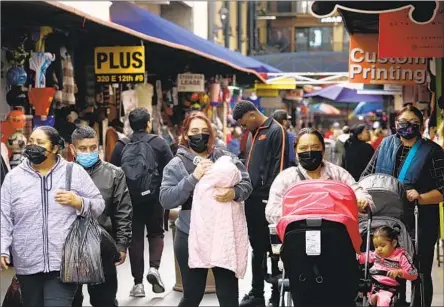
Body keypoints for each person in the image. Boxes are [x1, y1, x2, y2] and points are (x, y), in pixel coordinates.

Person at [0, 126, 105, 307]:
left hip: (64, 262)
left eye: (40, 143)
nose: (33, 146)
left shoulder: (74, 173)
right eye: (31, 141)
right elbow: (4, 216)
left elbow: (99, 205)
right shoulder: (14, 178)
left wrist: (79, 202)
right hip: (27, 262)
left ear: (55, 148)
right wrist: (3, 248)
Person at [160, 112, 252, 307]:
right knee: (192, 296)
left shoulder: (225, 157)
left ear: (210, 134)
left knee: (228, 297)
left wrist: (234, 192)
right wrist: (193, 177)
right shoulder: (176, 164)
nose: (199, 135)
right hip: (189, 235)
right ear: (185, 134)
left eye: (204, 131)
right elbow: (166, 199)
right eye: (194, 131)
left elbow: (246, 182)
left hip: (223, 236)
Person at [361, 105, 444, 307]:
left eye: (413, 123)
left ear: (421, 125)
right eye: (403, 122)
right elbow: (366, 177)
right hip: (388, 220)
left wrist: (420, 197)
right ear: (395, 123)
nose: (407, 127)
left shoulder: (432, 151)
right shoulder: (385, 145)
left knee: (420, 270)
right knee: (388, 267)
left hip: (421, 219)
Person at [110, 107, 173, 297]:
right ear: (148, 124)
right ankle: (154, 269)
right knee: (155, 233)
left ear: (130, 124)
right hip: (154, 199)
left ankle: (138, 284)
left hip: (130, 201)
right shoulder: (159, 143)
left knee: (135, 238)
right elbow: (170, 170)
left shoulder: (122, 145)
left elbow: (113, 173)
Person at [232, 100, 289, 307]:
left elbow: (280, 167)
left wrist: (273, 198)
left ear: (252, 115)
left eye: (243, 123)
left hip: (269, 200)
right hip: (252, 200)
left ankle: (276, 293)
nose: (242, 127)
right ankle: (257, 293)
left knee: (274, 249)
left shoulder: (276, 130)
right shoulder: (252, 134)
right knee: (257, 248)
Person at [70, 126, 133, 307]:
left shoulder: (114, 174)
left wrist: (121, 244)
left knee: (104, 300)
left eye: (93, 147)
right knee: (72, 300)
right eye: (83, 148)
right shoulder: (63, 174)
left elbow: (123, 211)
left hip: (102, 247)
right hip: (69, 248)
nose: (89, 152)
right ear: (73, 149)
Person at [266, 127, 374, 225]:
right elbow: (271, 212)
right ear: (296, 151)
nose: (309, 152)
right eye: (303, 148)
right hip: (298, 236)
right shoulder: (286, 178)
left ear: (323, 150)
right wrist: (303, 211)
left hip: (334, 235)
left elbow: (363, 197)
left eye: (315, 147)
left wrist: (362, 201)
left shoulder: (338, 173)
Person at [358, 226, 418, 307]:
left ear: (394, 243)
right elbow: (362, 257)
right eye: (376, 246)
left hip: (390, 290)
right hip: (372, 287)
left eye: (382, 246)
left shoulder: (401, 256)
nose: (378, 249)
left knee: (383, 301)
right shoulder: (375, 254)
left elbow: (413, 274)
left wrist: (400, 272)